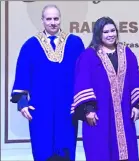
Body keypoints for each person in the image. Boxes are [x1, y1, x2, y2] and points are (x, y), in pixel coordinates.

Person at [10, 4, 85, 161]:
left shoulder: (75, 43)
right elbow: (23, 74)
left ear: (60, 19)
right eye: (48, 19)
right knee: (42, 150)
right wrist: (23, 102)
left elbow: (83, 75)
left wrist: (80, 102)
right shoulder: (30, 45)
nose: (52, 22)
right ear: (42, 20)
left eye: (56, 18)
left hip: (67, 108)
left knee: (66, 150)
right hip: (40, 108)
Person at [70, 16, 139, 161]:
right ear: (98, 34)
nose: (110, 35)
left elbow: (135, 78)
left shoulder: (127, 53)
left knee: (126, 150)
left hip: (124, 113)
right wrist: (88, 109)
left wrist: (137, 105)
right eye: (106, 32)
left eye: (113, 31)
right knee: (100, 150)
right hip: (99, 114)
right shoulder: (89, 56)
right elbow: (83, 82)